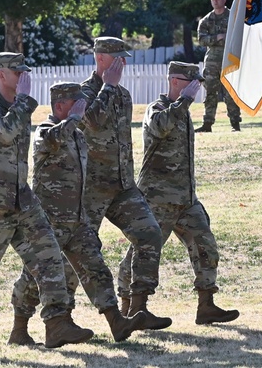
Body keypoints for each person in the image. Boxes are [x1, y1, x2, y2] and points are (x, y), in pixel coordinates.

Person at [0, 52, 92, 356]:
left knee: (50, 256)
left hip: (23, 201)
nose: (25, 77)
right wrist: (25, 101)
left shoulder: (17, 106)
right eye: (18, 72)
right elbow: (3, 133)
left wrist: (23, 103)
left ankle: (56, 323)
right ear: (2, 75)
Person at [10, 82, 147, 346]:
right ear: (60, 106)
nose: (82, 109)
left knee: (96, 269)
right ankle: (20, 330)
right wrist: (73, 119)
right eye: (77, 103)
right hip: (50, 222)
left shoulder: (78, 135)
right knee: (35, 277)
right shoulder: (46, 132)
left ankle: (116, 322)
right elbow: (53, 139)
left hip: (77, 220)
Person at [121, 61, 240, 324]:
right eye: (191, 83)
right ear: (175, 82)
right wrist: (183, 102)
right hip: (158, 199)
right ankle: (133, 306)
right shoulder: (159, 108)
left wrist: (184, 104)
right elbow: (160, 126)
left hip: (185, 200)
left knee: (205, 245)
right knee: (144, 251)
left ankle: (206, 305)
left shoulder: (182, 112)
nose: (196, 89)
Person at [78, 36, 170, 329]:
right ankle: (50, 319)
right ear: (102, 58)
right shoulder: (82, 93)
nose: (124, 63)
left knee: (150, 234)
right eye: (118, 58)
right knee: (78, 248)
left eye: (124, 58)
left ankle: (138, 307)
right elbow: (91, 120)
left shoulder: (122, 94)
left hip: (122, 186)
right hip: (90, 189)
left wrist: (113, 87)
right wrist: (109, 86)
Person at [196, 0, 242, 132]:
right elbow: (201, 40)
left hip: (229, 60)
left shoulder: (233, 17)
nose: (215, 1)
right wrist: (217, 37)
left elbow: (241, 35)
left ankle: (235, 123)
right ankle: (207, 123)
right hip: (212, 62)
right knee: (210, 92)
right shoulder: (206, 20)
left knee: (230, 92)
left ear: (224, 0)